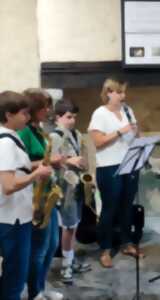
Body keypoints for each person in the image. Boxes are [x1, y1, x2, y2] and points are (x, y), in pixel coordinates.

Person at [0, 91, 51, 300]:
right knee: (14, 278)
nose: (27, 117)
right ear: (8, 115)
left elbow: (16, 171)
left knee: (15, 275)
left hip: (17, 215)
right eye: (23, 113)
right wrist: (36, 175)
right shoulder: (5, 143)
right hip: (12, 219)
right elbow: (8, 185)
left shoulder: (10, 138)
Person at [88, 78, 142, 268]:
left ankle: (127, 243)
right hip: (109, 166)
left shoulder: (128, 110)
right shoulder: (100, 113)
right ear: (109, 92)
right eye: (119, 92)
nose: (123, 96)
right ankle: (105, 249)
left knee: (127, 206)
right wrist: (121, 131)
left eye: (124, 92)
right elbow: (98, 142)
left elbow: (135, 135)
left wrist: (136, 134)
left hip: (130, 164)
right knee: (109, 209)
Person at [18, 88, 64, 300]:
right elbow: (20, 163)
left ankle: (41, 287)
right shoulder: (24, 132)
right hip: (34, 194)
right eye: (45, 107)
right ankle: (35, 293)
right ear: (34, 108)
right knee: (39, 249)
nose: (48, 110)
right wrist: (47, 162)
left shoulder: (39, 130)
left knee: (52, 245)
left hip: (48, 192)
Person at [50, 99, 91, 284]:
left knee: (74, 225)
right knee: (68, 227)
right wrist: (69, 161)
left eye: (74, 117)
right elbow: (51, 160)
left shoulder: (76, 134)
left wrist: (83, 163)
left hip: (77, 184)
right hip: (65, 186)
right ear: (57, 117)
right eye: (68, 117)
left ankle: (71, 259)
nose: (72, 120)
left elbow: (80, 155)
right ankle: (66, 265)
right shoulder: (55, 136)